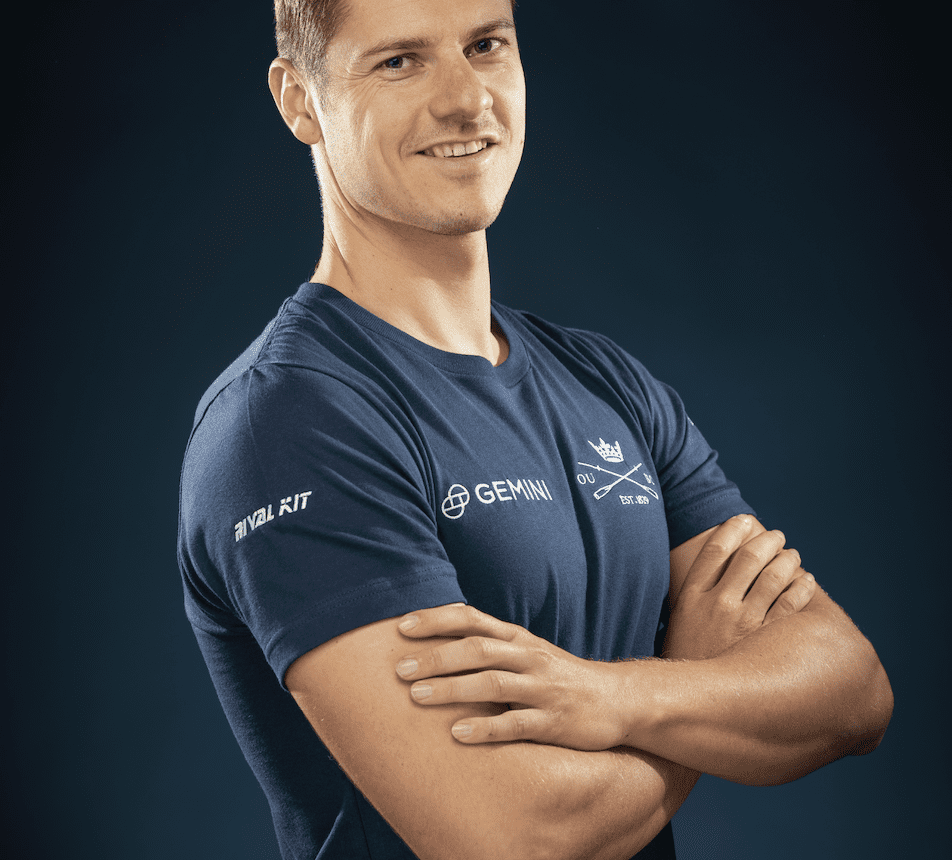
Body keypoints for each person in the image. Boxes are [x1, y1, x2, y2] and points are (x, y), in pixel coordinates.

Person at [176, 1, 893, 858]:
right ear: (300, 100)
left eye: (485, 45)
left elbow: (852, 691)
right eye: (400, 61)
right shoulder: (289, 422)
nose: (467, 100)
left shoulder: (605, 382)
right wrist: (699, 685)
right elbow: (512, 837)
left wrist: (619, 698)